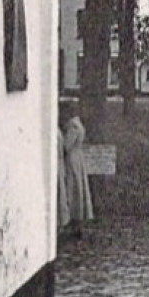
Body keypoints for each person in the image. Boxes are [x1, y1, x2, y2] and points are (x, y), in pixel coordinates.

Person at [58, 102, 93, 239]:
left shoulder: (73, 126)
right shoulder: (78, 124)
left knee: (72, 190)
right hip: (78, 158)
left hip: (72, 160)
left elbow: (67, 145)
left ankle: (73, 221)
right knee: (78, 190)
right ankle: (76, 222)